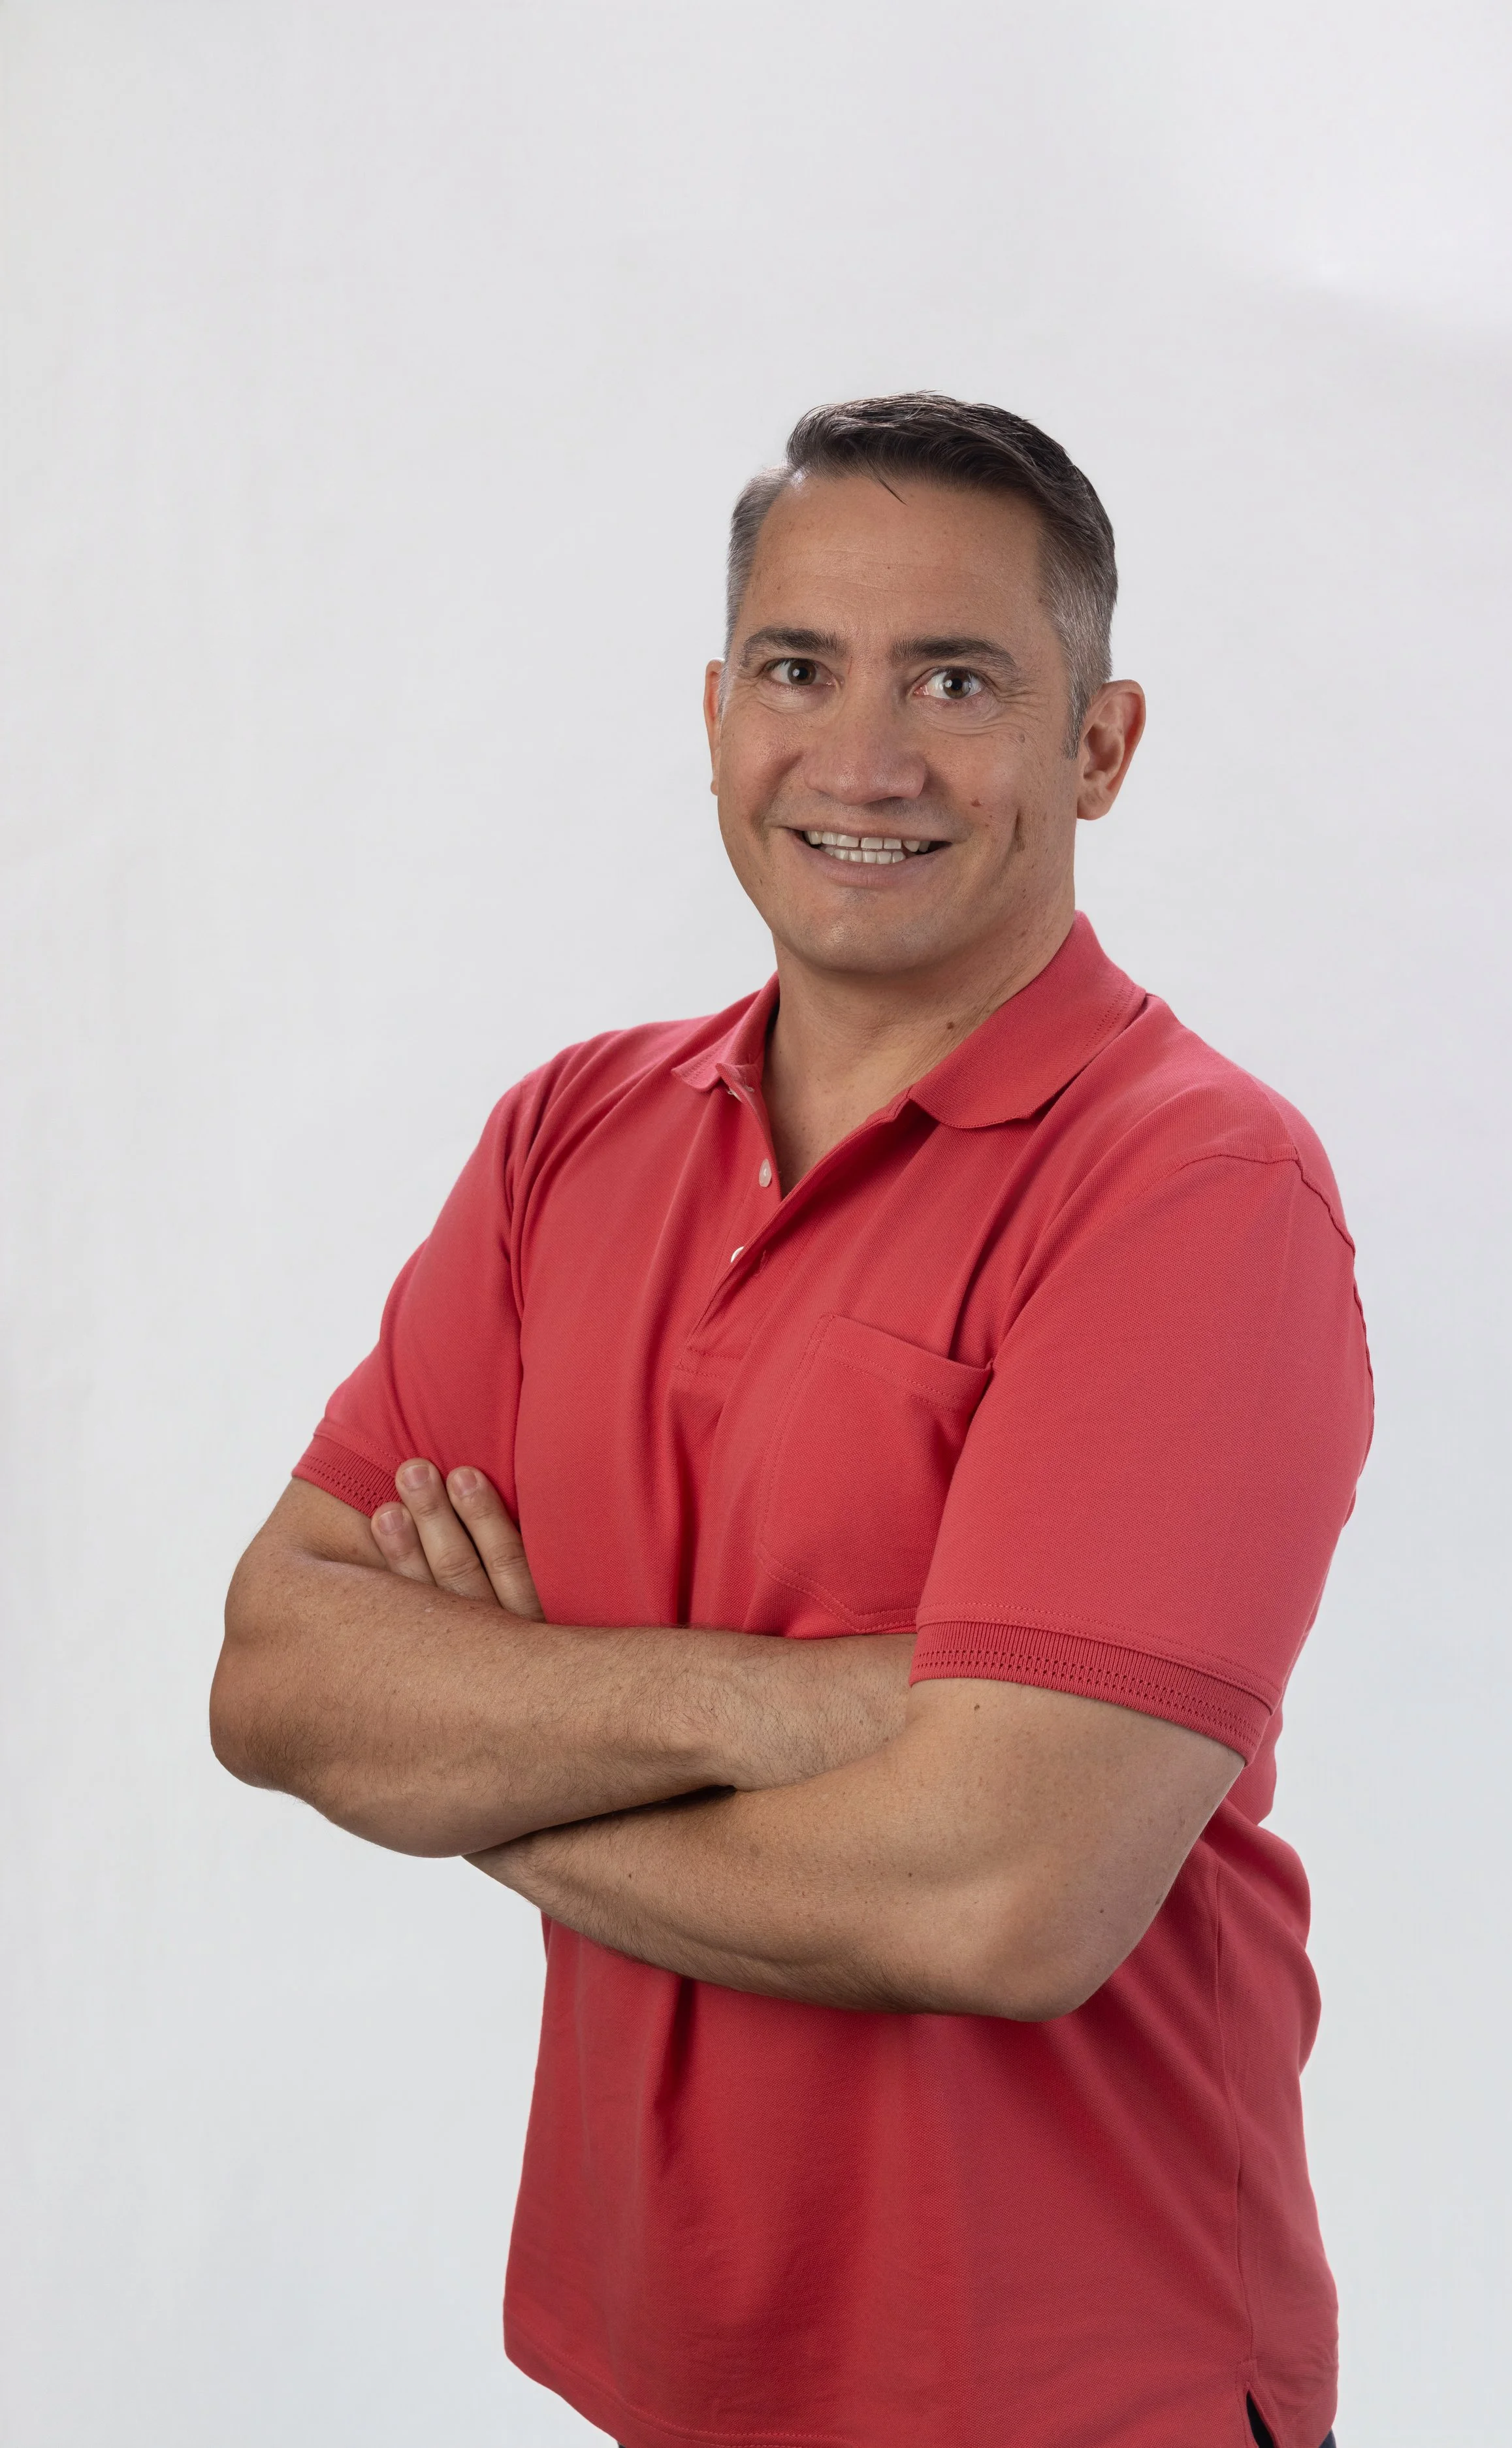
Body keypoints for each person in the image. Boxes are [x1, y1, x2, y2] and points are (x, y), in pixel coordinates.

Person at [212, 393, 1370, 2448]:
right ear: (715, 709)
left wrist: (493, 1741)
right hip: (660, 2360)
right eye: (797, 668)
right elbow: (280, 1676)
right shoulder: (571, 1134)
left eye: (957, 679)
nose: (863, 758)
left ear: (1097, 748)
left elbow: (994, 1902)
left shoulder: (1192, 1193)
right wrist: (829, 1706)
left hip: (1072, 2384)